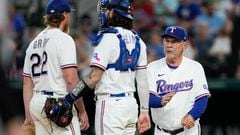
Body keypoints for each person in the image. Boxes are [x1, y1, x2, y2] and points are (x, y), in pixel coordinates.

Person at [50, 0, 151, 134]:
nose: (104, 13)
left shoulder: (108, 38)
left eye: (106, 10)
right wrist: (144, 111)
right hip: (131, 105)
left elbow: (94, 77)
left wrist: (70, 98)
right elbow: (143, 81)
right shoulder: (138, 41)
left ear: (114, 12)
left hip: (111, 106)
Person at [22, 0, 89, 134]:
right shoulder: (64, 39)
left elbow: (26, 83)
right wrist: (82, 110)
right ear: (65, 15)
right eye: (69, 14)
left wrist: (28, 115)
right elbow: (71, 80)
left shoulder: (33, 43)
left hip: (37, 102)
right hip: (58, 103)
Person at [147, 26, 211, 135]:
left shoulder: (195, 67)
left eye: (174, 42)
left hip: (188, 131)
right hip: (162, 131)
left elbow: (202, 98)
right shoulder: (152, 68)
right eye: (166, 41)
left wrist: (192, 115)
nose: (169, 45)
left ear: (184, 45)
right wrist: (159, 101)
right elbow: (146, 98)